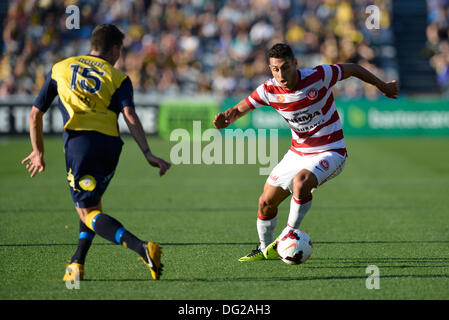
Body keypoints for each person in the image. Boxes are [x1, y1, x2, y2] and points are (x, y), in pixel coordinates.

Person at [213, 43, 399, 261]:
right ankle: (264, 249)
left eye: (285, 67)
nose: (281, 75)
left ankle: (287, 234)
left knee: (300, 183)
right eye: (275, 69)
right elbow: (237, 110)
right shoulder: (269, 90)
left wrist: (382, 86)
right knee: (265, 202)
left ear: (295, 63)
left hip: (331, 150)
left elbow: (353, 69)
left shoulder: (318, 76)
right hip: (297, 152)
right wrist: (225, 122)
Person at [21, 24, 171, 280]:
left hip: (80, 145)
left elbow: (36, 113)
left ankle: (142, 248)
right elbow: (129, 115)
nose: (119, 55)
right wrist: (147, 152)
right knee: (92, 205)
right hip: (110, 147)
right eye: (120, 51)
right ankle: (76, 265)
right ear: (113, 49)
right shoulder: (118, 77)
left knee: (88, 212)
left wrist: (38, 151)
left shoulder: (61, 67)